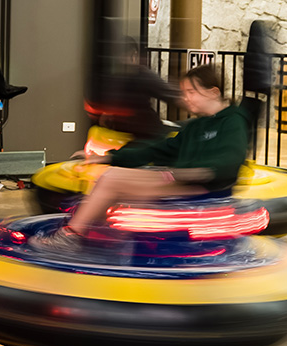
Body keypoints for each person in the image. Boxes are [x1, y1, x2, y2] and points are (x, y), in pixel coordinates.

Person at [36, 64, 251, 251]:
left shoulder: (232, 121)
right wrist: (109, 157)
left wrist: (193, 173)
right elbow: (158, 150)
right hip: (183, 181)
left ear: (213, 92)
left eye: (191, 91)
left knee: (112, 180)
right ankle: (99, 239)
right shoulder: (197, 125)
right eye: (184, 91)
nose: (185, 97)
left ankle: (72, 237)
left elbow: (229, 161)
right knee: (114, 181)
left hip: (204, 189)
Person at [88, 36, 181, 141]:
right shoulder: (141, 74)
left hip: (118, 130)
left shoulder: (108, 76)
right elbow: (170, 95)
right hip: (146, 132)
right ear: (134, 55)